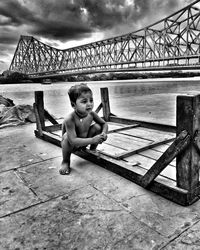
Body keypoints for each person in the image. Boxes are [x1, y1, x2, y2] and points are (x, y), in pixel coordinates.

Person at [59, 83, 108, 175]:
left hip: (84, 142)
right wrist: (93, 140)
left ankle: (92, 149)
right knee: (66, 137)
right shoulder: (70, 119)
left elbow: (104, 123)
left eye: (91, 100)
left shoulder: (91, 114)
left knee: (97, 127)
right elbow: (73, 140)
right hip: (72, 145)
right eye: (84, 102)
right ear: (73, 105)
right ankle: (65, 161)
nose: (89, 104)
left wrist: (104, 133)